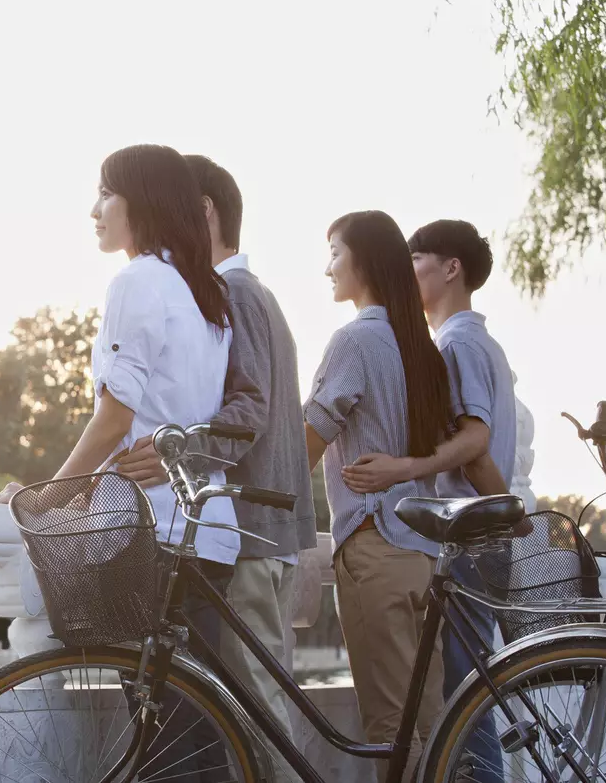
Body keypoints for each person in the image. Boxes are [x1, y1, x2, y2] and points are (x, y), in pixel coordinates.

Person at [0, 143, 238, 781]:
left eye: (106, 193)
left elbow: (115, 417)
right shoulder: (204, 294)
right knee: (196, 730)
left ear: (143, 202)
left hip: (149, 531)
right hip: (209, 529)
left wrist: (49, 495)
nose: (94, 210)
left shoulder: (136, 282)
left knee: (165, 737)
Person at [116, 155, 316, 780]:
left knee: (255, 710)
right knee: (250, 703)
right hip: (266, 529)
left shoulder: (237, 293)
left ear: (203, 212)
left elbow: (250, 406)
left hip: (249, 529)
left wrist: (181, 450)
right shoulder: (254, 297)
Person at [341, 219, 515, 783]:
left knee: (462, 707)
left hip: (465, 538)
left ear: (451, 268)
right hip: (480, 536)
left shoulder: (457, 343)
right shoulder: (481, 342)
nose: (406, 269)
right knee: (460, 705)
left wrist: (406, 468)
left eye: (417, 258)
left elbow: (474, 443)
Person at [304, 210, 454, 782]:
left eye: (336, 254)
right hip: (423, 555)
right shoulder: (421, 347)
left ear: (362, 261)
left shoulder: (355, 340)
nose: (328, 269)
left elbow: (306, 444)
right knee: (435, 727)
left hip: (373, 547)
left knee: (390, 731)